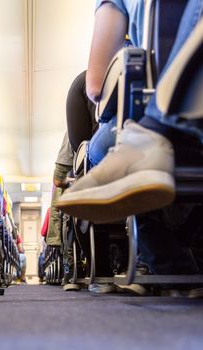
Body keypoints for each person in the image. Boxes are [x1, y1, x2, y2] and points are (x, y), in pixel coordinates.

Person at [57, 0, 203, 295]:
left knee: (118, 148)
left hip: (136, 116)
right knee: (139, 152)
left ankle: (173, 268)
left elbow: (96, 86)